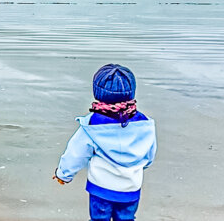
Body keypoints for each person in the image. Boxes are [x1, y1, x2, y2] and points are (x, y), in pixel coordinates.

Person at [53, 64, 157, 221]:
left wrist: (64, 174)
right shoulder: (145, 124)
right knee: (127, 218)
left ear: (97, 92)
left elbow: (76, 154)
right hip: (131, 187)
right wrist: (139, 167)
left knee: (99, 219)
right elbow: (149, 155)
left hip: (101, 189)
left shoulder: (92, 125)